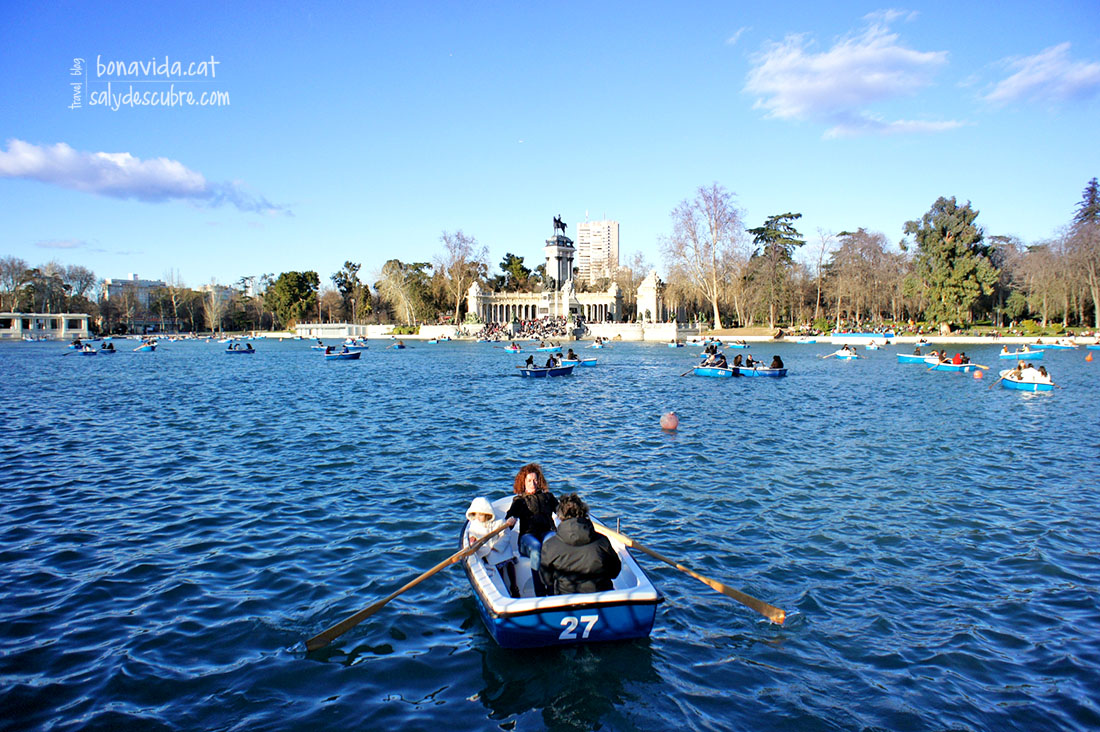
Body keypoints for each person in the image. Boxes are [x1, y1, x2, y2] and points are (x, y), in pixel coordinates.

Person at [539, 493, 621, 596]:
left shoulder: (550, 545)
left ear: (560, 516)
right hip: (601, 597)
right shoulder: (602, 541)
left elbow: (546, 580)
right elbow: (615, 572)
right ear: (584, 512)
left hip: (565, 599)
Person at [505, 463, 559, 596]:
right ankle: (540, 593)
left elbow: (561, 511)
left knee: (552, 544)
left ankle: (552, 591)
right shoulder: (519, 501)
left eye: (535, 480)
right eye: (529, 481)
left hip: (547, 532)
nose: (533, 484)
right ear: (523, 483)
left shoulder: (548, 497)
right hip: (527, 538)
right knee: (536, 547)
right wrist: (510, 520)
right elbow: (510, 518)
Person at [466, 496, 520, 597]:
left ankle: (514, 586)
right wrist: (472, 539)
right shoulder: (475, 525)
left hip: (500, 549)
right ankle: (504, 587)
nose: (478, 517)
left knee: (509, 565)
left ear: (487, 514)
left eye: (480, 515)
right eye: (476, 515)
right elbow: (473, 535)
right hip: (488, 552)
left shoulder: (499, 522)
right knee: (498, 570)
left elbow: (506, 535)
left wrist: (497, 546)